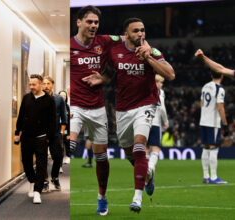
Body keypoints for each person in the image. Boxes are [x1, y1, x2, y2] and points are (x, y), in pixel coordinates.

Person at [83, 17, 175, 213]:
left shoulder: (153, 52)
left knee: (141, 145)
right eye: (135, 31)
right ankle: (148, 175)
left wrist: (148, 58)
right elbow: (109, 73)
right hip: (123, 109)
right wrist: (102, 79)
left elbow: (170, 74)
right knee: (129, 153)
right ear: (126, 34)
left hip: (146, 104)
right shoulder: (115, 50)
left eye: (142, 30)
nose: (140, 34)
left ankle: (137, 198)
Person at [70, 5, 118, 215]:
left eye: (96, 22)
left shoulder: (104, 42)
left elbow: (127, 40)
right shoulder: (69, 45)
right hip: (76, 106)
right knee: (70, 144)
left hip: (98, 108)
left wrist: (104, 78)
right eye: (89, 21)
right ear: (78, 22)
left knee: (101, 158)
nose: (93, 26)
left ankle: (102, 197)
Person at [14, 74, 56, 204]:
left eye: (34, 84)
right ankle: (32, 181)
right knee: (26, 162)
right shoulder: (26, 98)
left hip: (41, 138)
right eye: (30, 84)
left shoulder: (49, 100)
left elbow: (52, 121)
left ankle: (38, 191)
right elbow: (20, 117)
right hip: (26, 137)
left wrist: (48, 137)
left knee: (41, 164)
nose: (31, 87)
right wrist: (17, 133)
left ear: (41, 85)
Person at [199, 71, 228, 184]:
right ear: (222, 75)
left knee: (205, 147)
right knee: (213, 147)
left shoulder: (205, 86)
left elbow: (201, 103)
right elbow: (220, 107)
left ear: (211, 75)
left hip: (203, 120)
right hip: (213, 122)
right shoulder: (220, 89)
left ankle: (206, 176)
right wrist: (224, 122)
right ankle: (214, 177)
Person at [146, 74, 169, 196]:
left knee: (145, 148)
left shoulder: (144, 88)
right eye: (160, 82)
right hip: (154, 122)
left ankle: (146, 171)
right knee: (155, 149)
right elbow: (162, 108)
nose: (161, 85)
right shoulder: (159, 92)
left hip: (142, 122)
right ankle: (150, 169)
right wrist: (165, 122)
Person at [42, 76, 67, 191]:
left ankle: (54, 177)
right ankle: (44, 180)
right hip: (41, 133)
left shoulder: (59, 99)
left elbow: (63, 116)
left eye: (48, 83)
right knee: (41, 158)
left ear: (52, 85)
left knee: (58, 157)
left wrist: (62, 132)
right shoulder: (38, 98)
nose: (46, 86)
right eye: (44, 83)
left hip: (55, 133)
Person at [59, 90, 71, 164]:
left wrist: (69, 133)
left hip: (66, 130)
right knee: (59, 147)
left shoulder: (67, 107)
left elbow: (69, 121)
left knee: (66, 144)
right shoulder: (55, 105)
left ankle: (67, 157)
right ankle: (59, 165)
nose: (63, 97)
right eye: (61, 95)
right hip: (57, 130)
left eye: (64, 96)